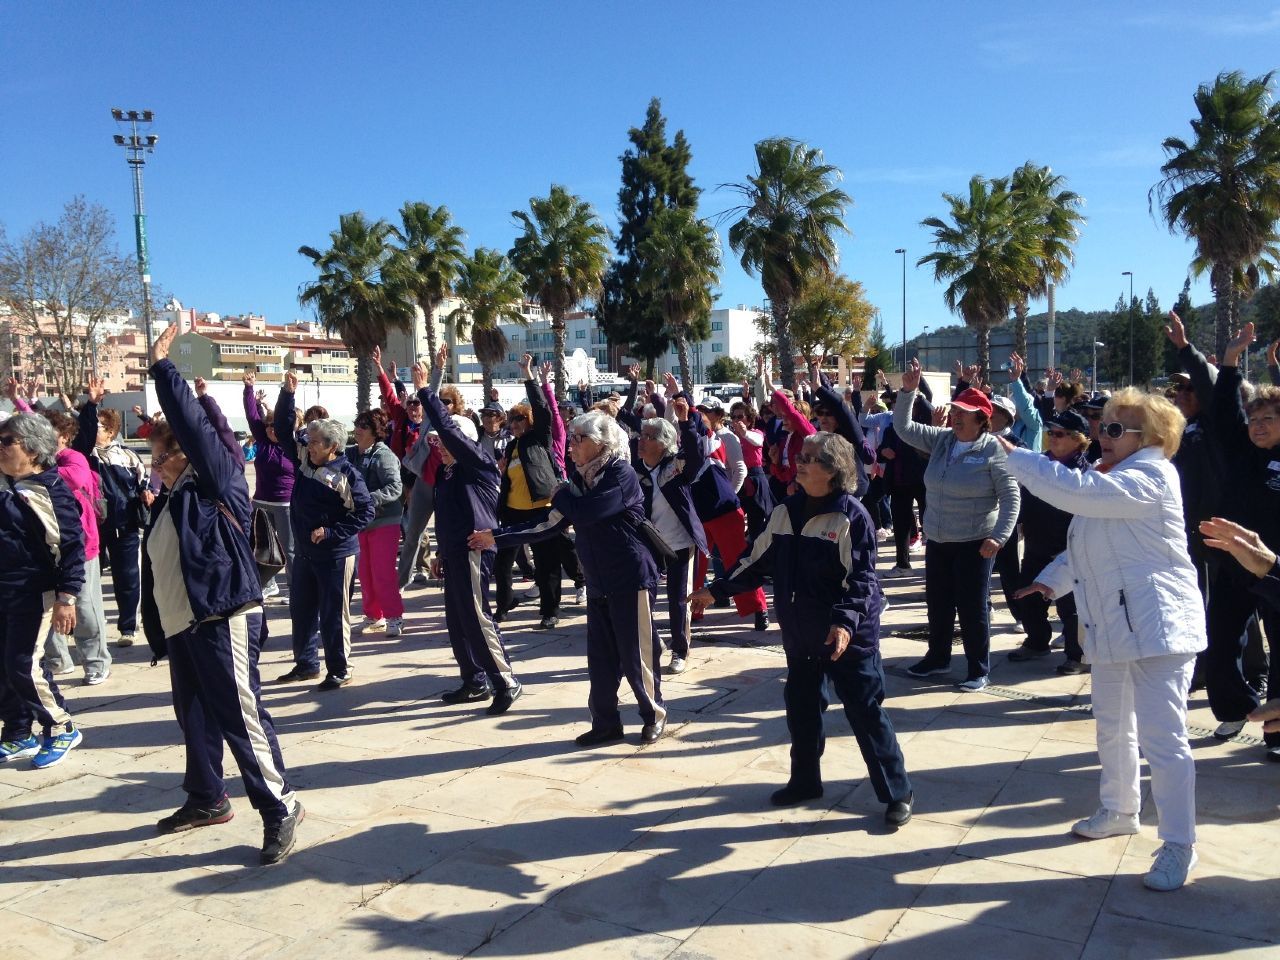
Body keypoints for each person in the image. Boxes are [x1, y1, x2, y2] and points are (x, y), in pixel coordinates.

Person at [1005, 388, 1205, 891]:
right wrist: (1053, 578)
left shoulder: (1153, 475)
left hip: (1159, 627)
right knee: (1112, 726)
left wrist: (1020, 459)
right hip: (1114, 624)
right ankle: (1119, 808)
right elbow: (1088, 544)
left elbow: (1080, 498)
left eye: (1116, 429)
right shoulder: (1110, 476)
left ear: (1152, 438)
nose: (1103, 435)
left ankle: (1180, 844)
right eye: (1104, 426)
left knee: (1165, 742)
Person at [690, 432, 913, 826]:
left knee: (866, 714)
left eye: (810, 458)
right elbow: (753, 561)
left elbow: (861, 581)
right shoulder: (785, 511)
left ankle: (897, 792)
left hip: (848, 640)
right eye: (802, 455)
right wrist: (715, 590)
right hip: (801, 637)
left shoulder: (851, 516)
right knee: (803, 713)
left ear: (832, 470)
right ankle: (805, 782)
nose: (800, 462)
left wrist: (844, 625)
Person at [139, 327, 302, 864]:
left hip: (223, 615)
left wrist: (164, 368)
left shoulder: (218, 481)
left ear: (186, 454)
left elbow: (196, 426)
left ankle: (279, 806)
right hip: (186, 624)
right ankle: (207, 798)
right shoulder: (169, 500)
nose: (154, 463)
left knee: (239, 714)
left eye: (161, 455)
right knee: (193, 715)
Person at [470, 411, 667, 746]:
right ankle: (606, 723)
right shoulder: (580, 481)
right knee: (601, 660)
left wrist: (557, 491)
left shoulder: (620, 474)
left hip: (630, 577)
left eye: (579, 439)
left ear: (602, 443)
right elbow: (550, 523)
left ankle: (653, 715)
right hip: (600, 582)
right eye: (572, 438)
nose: (572, 446)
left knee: (637, 655)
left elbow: (586, 512)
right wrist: (497, 537)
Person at [895, 359, 1020, 691]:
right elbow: (904, 429)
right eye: (955, 409)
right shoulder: (942, 440)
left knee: (972, 606)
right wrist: (907, 392)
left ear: (983, 419)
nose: (956, 415)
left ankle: (978, 668)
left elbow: (1011, 496)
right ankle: (938, 658)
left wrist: (1000, 536)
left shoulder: (995, 450)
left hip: (975, 542)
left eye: (964, 411)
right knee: (938, 602)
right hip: (938, 539)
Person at [412, 363, 522, 714]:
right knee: (458, 620)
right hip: (455, 550)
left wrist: (426, 390)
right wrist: (441, 553)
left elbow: (446, 426)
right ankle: (474, 680)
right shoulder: (447, 472)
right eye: (436, 444)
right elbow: (445, 516)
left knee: (476, 617)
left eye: (443, 443)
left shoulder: (478, 462)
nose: (439, 448)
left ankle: (506, 680)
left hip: (475, 550)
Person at [1199, 322, 1280, 756]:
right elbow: (1226, 412)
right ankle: (1239, 708)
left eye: (1268, 419)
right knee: (1221, 640)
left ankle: (1277, 735)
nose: (1258, 426)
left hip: (1277, 573)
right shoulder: (1240, 451)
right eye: (1255, 420)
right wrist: (1229, 362)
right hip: (1234, 568)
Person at [275, 372, 375, 689]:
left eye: (315, 442)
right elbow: (281, 430)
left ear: (332, 447)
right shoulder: (306, 460)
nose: (309, 446)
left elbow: (366, 512)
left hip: (336, 555)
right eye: (309, 441)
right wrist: (287, 395)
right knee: (302, 611)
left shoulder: (348, 475)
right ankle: (306, 664)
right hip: (305, 554)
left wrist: (331, 532)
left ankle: (339, 669)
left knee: (333, 614)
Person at [0, 414, 85, 769]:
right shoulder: (7, 484)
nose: (0, 448)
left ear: (33, 450)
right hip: (5, 590)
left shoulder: (49, 490)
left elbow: (71, 546)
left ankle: (61, 726)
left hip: (34, 593)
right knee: (4, 665)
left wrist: (67, 597)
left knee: (24, 665)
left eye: (7, 442)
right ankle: (18, 732)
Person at [1007, 409, 1089, 673]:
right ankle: (1037, 641)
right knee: (1026, 595)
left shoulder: (1085, 472)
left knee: (1070, 607)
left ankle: (1076, 655)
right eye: (1050, 432)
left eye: (1059, 434)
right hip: (1036, 543)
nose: (1052, 438)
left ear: (1078, 440)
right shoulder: (1041, 463)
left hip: (1068, 549)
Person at [37, 411, 111, 686]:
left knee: (84, 607)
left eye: (49, 432)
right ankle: (58, 660)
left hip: (82, 546)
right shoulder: (38, 463)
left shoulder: (72, 458)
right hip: (47, 546)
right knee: (49, 605)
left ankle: (96, 661)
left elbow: (76, 479)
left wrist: (35, 470)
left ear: (65, 437)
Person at [75, 378, 149, 647]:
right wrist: (92, 404)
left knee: (127, 577)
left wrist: (146, 494)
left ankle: (128, 625)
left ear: (112, 431)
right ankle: (90, 629)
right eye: (96, 425)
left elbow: (144, 483)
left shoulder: (127, 456)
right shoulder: (85, 455)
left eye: (103, 427)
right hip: (93, 528)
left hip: (125, 525)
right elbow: (81, 432)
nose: (97, 431)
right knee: (89, 579)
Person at [635, 400, 706, 675]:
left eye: (649, 437)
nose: (642, 441)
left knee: (679, 599)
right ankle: (654, 642)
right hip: (647, 545)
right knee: (643, 598)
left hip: (679, 543)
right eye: (641, 435)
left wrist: (686, 421)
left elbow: (696, 455)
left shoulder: (675, 467)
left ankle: (680, 650)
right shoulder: (635, 469)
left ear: (664, 443)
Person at [493, 354, 564, 629]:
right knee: (503, 563)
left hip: (541, 510)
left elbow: (543, 409)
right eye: (511, 420)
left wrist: (529, 376)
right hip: (513, 513)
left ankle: (550, 611)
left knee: (547, 564)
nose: (515, 423)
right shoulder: (511, 447)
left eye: (520, 418)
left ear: (529, 420)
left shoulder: (540, 438)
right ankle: (502, 607)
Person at [349, 409, 405, 638]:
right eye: (357, 424)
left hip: (385, 521)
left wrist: (367, 500)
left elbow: (395, 488)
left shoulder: (384, 455)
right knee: (365, 572)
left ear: (375, 432)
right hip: (361, 523)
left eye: (364, 426)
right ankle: (373, 616)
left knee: (383, 572)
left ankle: (394, 617)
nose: (358, 429)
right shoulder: (351, 453)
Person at [243, 374, 298, 601]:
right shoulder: (263, 441)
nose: (270, 429)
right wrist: (248, 389)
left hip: (285, 504)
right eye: (267, 426)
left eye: (274, 426)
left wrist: (288, 392)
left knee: (290, 550)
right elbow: (251, 415)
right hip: (261, 502)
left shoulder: (292, 445)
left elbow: (288, 416)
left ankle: (296, 590)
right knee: (260, 546)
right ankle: (267, 584)